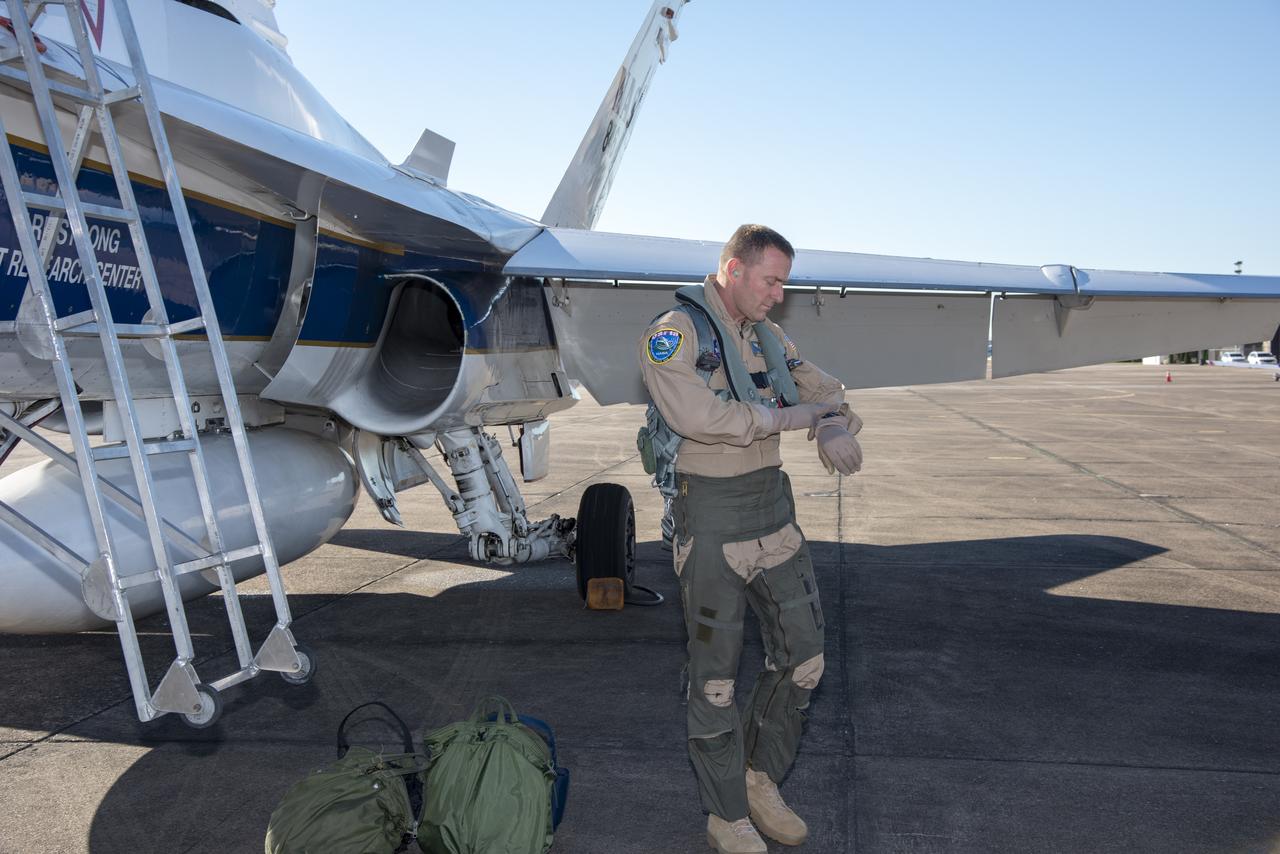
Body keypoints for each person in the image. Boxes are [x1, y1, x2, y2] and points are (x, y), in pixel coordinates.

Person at [638, 224, 863, 853]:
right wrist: (787, 418)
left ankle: (760, 780)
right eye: (771, 281)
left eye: (784, 283)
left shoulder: (769, 336)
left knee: (806, 658)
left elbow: (826, 392)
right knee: (715, 680)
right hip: (710, 515)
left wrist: (832, 429)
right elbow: (697, 417)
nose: (778, 295)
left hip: (772, 511)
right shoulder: (674, 334)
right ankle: (725, 812)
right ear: (733, 270)